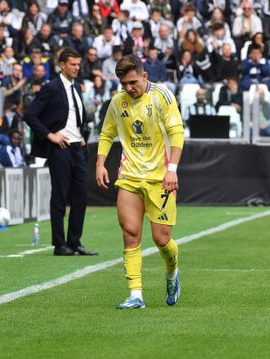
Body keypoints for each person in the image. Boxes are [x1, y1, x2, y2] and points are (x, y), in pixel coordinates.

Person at [96, 54, 184, 309]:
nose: (129, 88)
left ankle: (172, 272)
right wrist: (100, 163)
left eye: (133, 82)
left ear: (144, 76)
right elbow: (106, 134)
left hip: (160, 179)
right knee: (130, 235)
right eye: (124, 84)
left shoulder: (162, 96)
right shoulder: (117, 102)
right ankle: (136, 294)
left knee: (161, 239)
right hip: (130, 176)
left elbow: (176, 133)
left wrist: (172, 170)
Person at [23, 47, 97, 257]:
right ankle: (59, 244)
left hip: (77, 148)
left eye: (78, 64)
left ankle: (75, 242)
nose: (76, 68)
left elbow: (74, 115)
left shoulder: (76, 88)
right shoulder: (51, 88)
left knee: (80, 197)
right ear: (62, 65)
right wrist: (50, 135)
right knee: (60, 197)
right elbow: (30, 115)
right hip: (60, 149)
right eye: (73, 64)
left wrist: (81, 134)